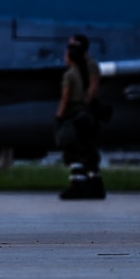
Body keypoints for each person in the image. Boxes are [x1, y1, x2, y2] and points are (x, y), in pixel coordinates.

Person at [54, 34, 106, 200]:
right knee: (89, 149)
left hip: (75, 113)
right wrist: (88, 105)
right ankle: (95, 184)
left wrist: (59, 117)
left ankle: (78, 184)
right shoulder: (93, 66)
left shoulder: (70, 74)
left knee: (74, 151)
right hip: (89, 113)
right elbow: (93, 89)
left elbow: (65, 97)